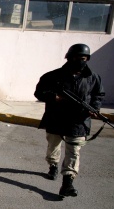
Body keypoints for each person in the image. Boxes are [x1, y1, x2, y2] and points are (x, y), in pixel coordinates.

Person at [34, 43, 105, 198]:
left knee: (74, 151)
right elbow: (39, 93)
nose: (80, 61)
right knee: (53, 146)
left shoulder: (93, 78)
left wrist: (94, 108)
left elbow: (98, 95)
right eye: (77, 58)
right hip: (56, 118)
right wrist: (55, 97)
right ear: (69, 58)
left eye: (84, 58)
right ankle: (53, 165)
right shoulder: (53, 76)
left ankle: (67, 183)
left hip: (78, 121)